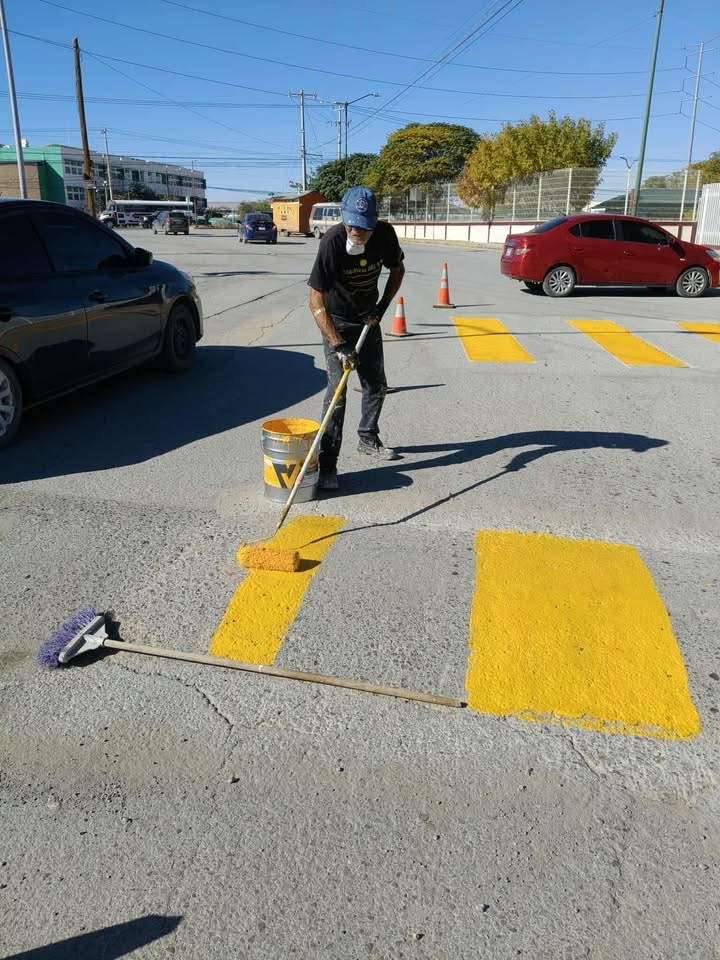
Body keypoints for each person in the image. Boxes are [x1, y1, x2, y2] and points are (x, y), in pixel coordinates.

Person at [307, 186, 406, 491]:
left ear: (374, 223)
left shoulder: (386, 235)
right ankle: (328, 464)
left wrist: (381, 307)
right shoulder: (333, 242)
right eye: (351, 224)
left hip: (367, 319)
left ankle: (368, 438)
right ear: (343, 219)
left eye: (363, 227)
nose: (356, 232)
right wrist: (338, 344)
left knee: (376, 384)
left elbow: (397, 269)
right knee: (337, 393)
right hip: (335, 321)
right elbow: (315, 301)